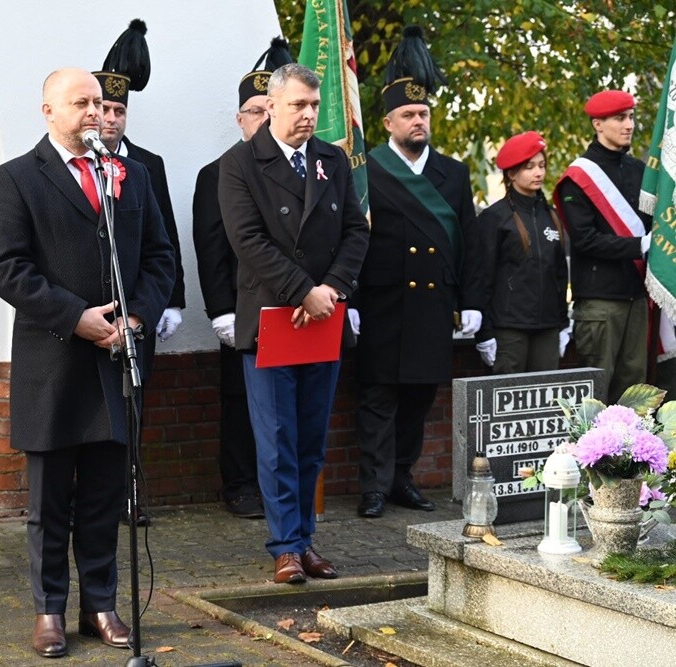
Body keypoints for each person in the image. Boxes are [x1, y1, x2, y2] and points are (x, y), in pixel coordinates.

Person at [0, 68, 174, 659]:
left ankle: (100, 605)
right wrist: (76, 317)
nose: (95, 111)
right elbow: (7, 268)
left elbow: (161, 255)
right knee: (48, 502)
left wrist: (135, 318)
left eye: (100, 102)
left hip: (117, 361)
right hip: (54, 362)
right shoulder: (16, 177)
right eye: (81, 102)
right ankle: (48, 611)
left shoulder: (132, 176)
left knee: (102, 496)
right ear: (48, 110)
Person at [219, 63, 369, 584]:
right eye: (298, 106)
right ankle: (284, 546)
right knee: (278, 437)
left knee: (311, 439)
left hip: (323, 315)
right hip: (272, 319)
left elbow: (356, 230)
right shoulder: (240, 163)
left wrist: (330, 289)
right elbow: (248, 241)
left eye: (314, 106)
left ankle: (305, 541)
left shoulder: (333, 160)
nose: (308, 115)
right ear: (272, 107)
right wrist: (303, 290)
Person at [351, 26, 483, 519]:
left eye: (423, 113)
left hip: (431, 304)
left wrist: (471, 301)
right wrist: (352, 302)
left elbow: (467, 240)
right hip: (383, 301)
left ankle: (402, 478)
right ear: (388, 122)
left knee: (417, 398)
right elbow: (353, 239)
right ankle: (373, 486)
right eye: (408, 114)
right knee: (378, 397)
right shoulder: (366, 170)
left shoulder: (454, 172)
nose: (418, 121)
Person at [191, 38, 292, 519]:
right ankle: (239, 485)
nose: (262, 119)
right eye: (254, 111)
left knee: (283, 405)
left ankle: (278, 489)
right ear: (240, 118)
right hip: (242, 309)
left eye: (268, 110)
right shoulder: (217, 174)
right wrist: (221, 311)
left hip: (287, 306)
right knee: (239, 402)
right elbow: (211, 250)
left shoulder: (294, 170)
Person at [553, 90, 651, 403]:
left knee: (635, 395)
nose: (629, 125)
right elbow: (585, 239)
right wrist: (641, 246)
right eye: (620, 118)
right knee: (596, 396)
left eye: (631, 117)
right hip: (600, 302)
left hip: (637, 296)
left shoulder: (639, 170)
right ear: (598, 124)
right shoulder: (579, 177)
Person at [94, 19, 186, 343]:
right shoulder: (75, 163)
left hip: (141, 308)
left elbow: (166, 238)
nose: (111, 118)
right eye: (104, 109)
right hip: (92, 311)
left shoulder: (148, 164)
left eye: (119, 111)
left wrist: (173, 300)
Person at [474, 131, 570, 374]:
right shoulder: (494, 217)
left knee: (546, 399)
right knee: (507, 400)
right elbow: (482, 277)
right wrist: (484, 332)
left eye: (542, 165)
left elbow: (559, 274)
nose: (538, 172)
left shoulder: (552, 216)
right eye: (529, 167)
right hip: (509, 327)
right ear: (511, 173)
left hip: (548, 326)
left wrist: (563, 323)